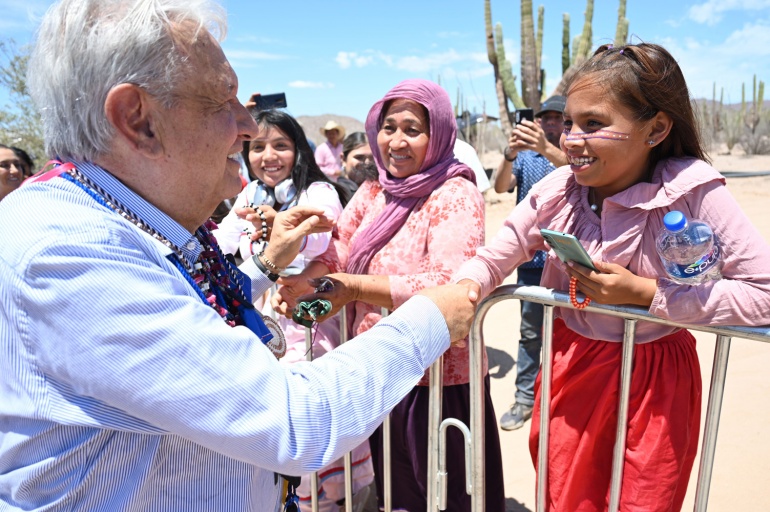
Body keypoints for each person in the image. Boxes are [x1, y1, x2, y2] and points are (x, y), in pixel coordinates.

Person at [0, 1, 479, 510]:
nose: (248, 125)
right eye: (222, 100)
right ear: (138, 120)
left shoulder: (115, 217)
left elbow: (181, 301)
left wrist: (264, 269)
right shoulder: (71, 252)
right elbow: (296, 421)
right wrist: (432, 315)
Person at [454, 42, 770, 511]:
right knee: (565, 494)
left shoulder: (692, 191)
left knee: (643, 498)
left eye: (593, 124)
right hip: (569, 369)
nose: (570, 140)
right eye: (568, 124)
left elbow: (762, 294)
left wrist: (648, 295)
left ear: (657, 128)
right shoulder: (556, 191)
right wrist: (464, 290)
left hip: (655, 384)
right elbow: (493, 256)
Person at [273, 78, 506, 511]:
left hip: (437, 376)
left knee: (449, 492)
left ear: (437, 134)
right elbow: (341, 251)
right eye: (388, 126)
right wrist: (311, 281)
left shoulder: (455, 193)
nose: (396, 141)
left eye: (412, 129)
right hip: (380, 367)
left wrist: (354, 288)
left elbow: (449, 283)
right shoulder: (373, 191)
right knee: (398, 490)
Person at [212, 109, 373, 510]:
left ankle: (334, 495)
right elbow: (222, 241)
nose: (269, 156)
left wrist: (279, 229)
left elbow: (320, 233)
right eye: (259, 146)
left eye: (281, 145)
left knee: (314, 405)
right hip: (265, 317)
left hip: (309, 316)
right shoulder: (247, 195)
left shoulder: (318, 191)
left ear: (298, 150)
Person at [493, 95, 568, 431]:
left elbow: (574, 170)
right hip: (532, 263)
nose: (549, 123)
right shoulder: (525, 156)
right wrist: (510, 154)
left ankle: (560, 400)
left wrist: (548, 148)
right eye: (545, 118)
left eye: (557, 118)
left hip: (569, 262)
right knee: (530, 332)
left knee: (572, 334)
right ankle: (525, 398)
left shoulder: (575, 154)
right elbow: (500, 185)